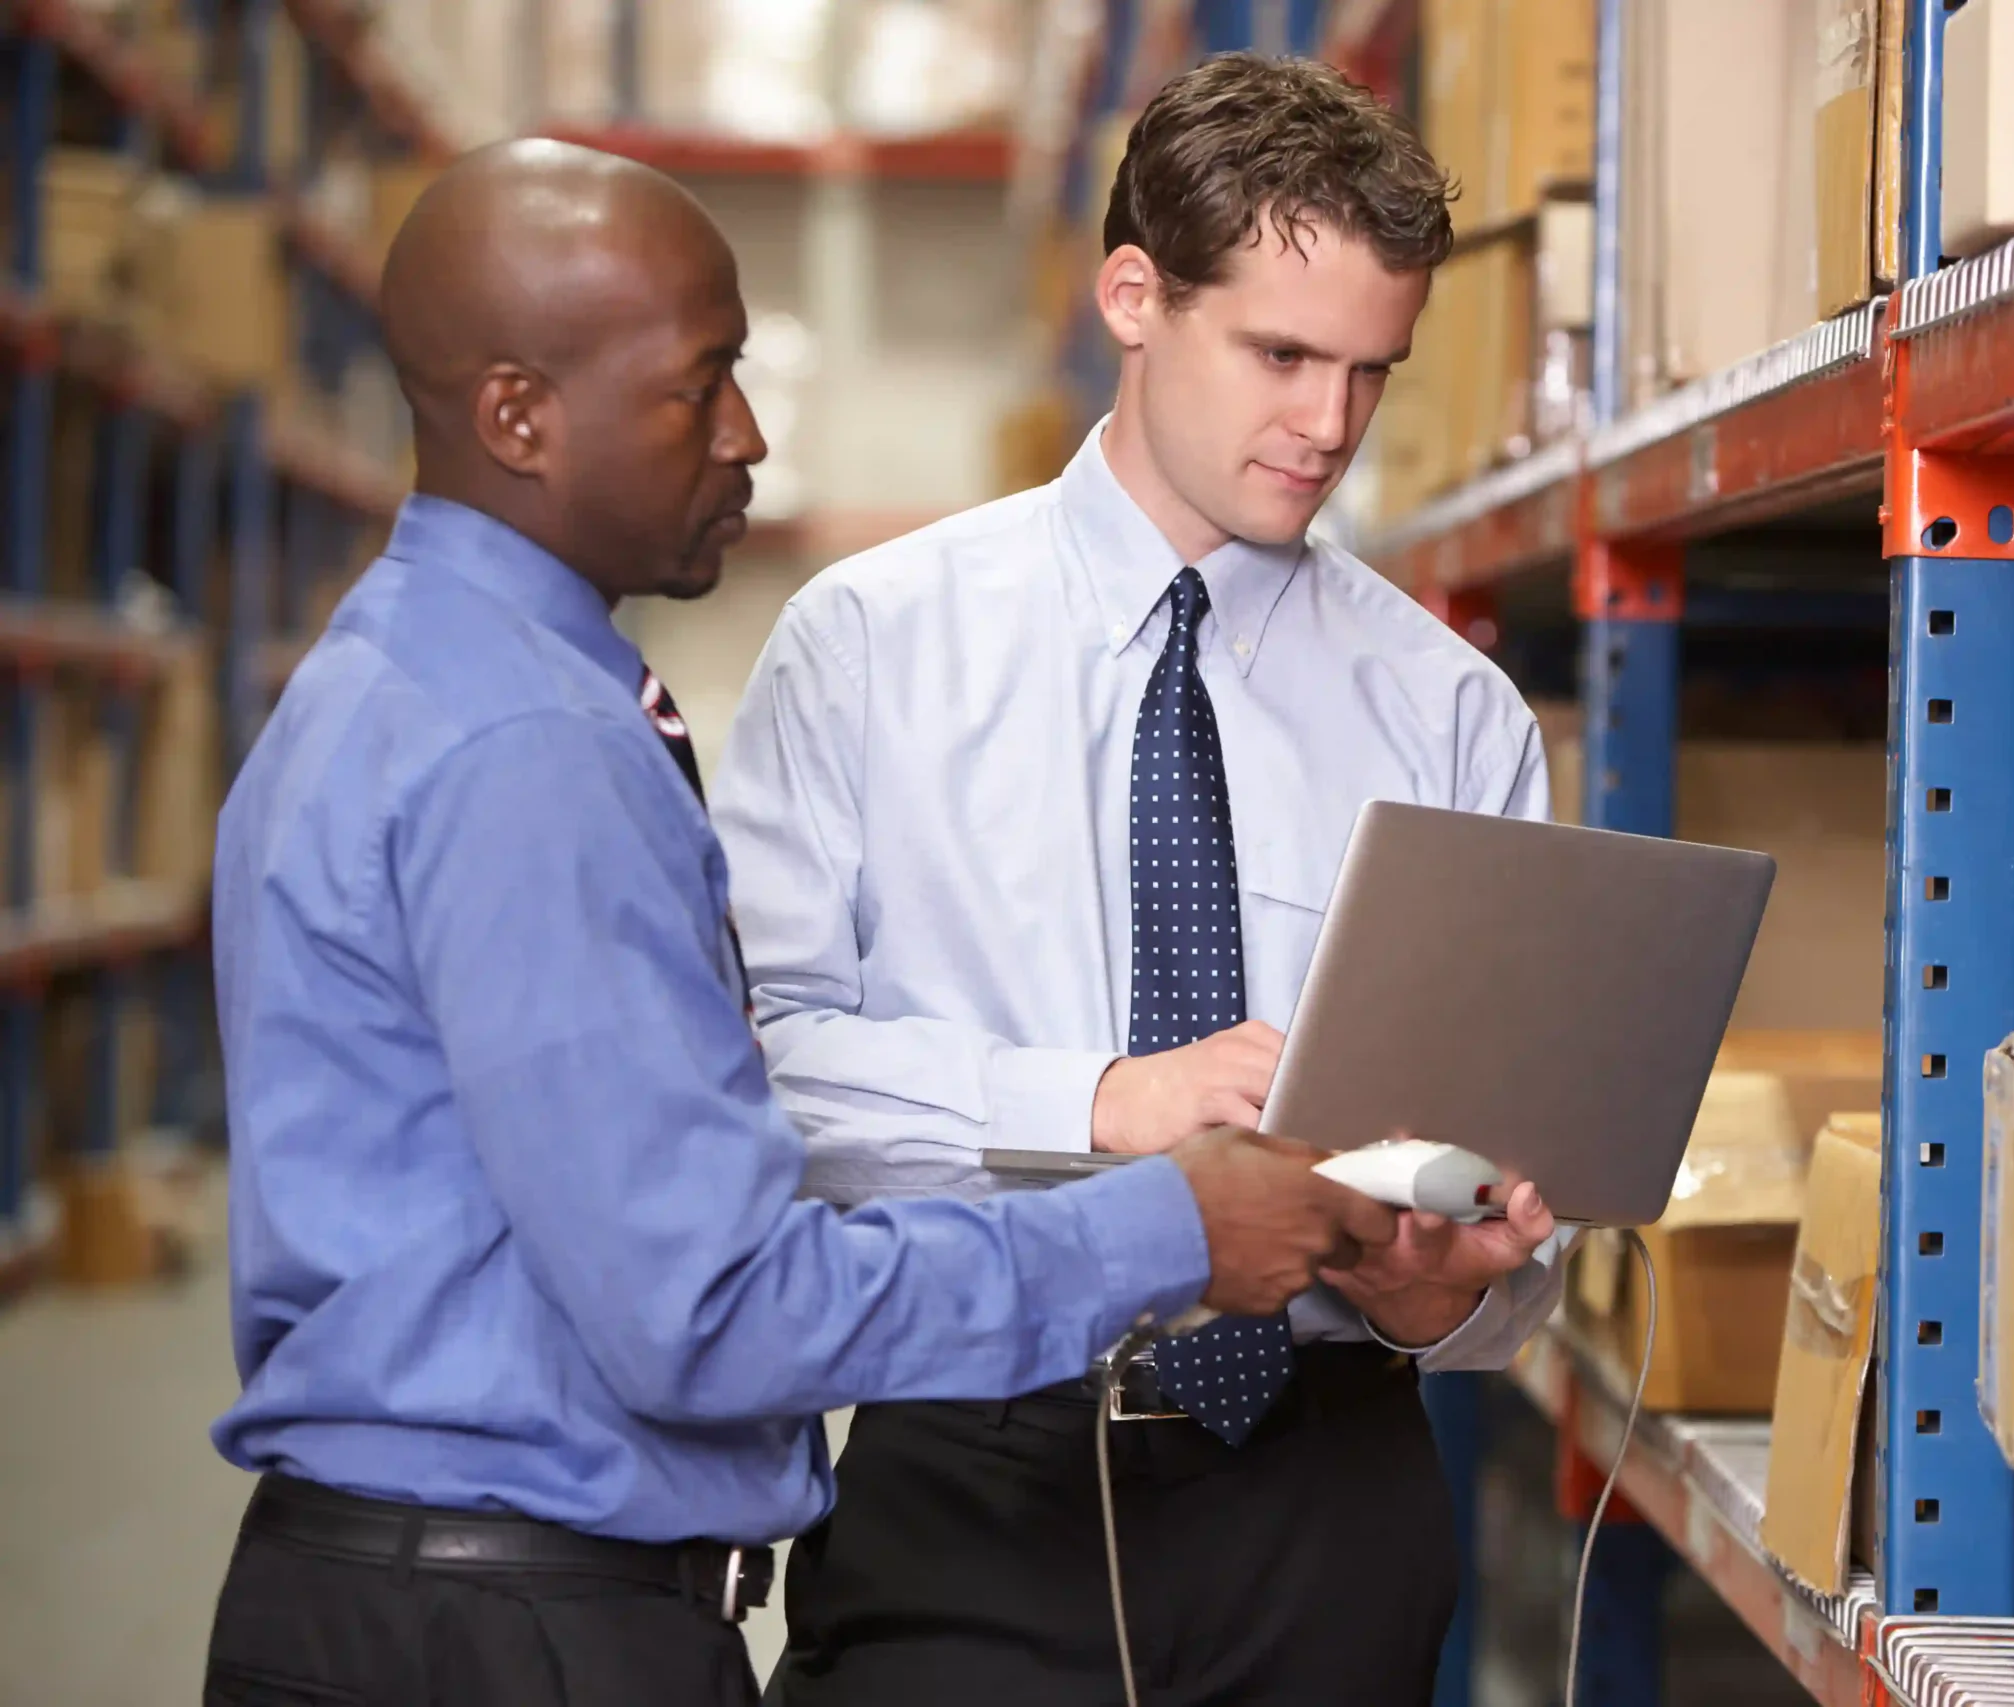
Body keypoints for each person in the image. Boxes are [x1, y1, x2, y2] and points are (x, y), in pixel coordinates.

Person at [201, 139, 1399, 1707]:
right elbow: (708, 1308)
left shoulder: (400, 679)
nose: (748, 435)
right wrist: (1173, 1219)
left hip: (433, 1601)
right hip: (506, 1633)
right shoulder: (530, 751)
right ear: (517, 416)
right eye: (700, 386)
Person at [713, 54, 1568, 1705]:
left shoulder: (1450, 709)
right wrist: (1097, 1100)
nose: (1329, 424)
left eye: (1372, 371)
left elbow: (1502, 1209)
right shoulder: (876, 646)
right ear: (1132, 296)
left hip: (1328, 1497)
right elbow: (757, 1069)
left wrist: (1428, 1294)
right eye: (1281, 354)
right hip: (975, 1464)